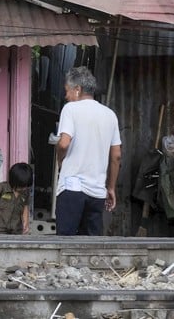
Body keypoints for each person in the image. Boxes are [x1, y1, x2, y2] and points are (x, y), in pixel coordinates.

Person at [55, 66, 122, 236]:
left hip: (72, 188)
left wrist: (60, 159)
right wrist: (111, 188)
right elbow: (116, 156)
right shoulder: (110, 115)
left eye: (67, 91)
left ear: (77, 89)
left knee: (65, 243)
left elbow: (63, 144)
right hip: (97, 192)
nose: (66, 96)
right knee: (91, 246)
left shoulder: (70, 109)